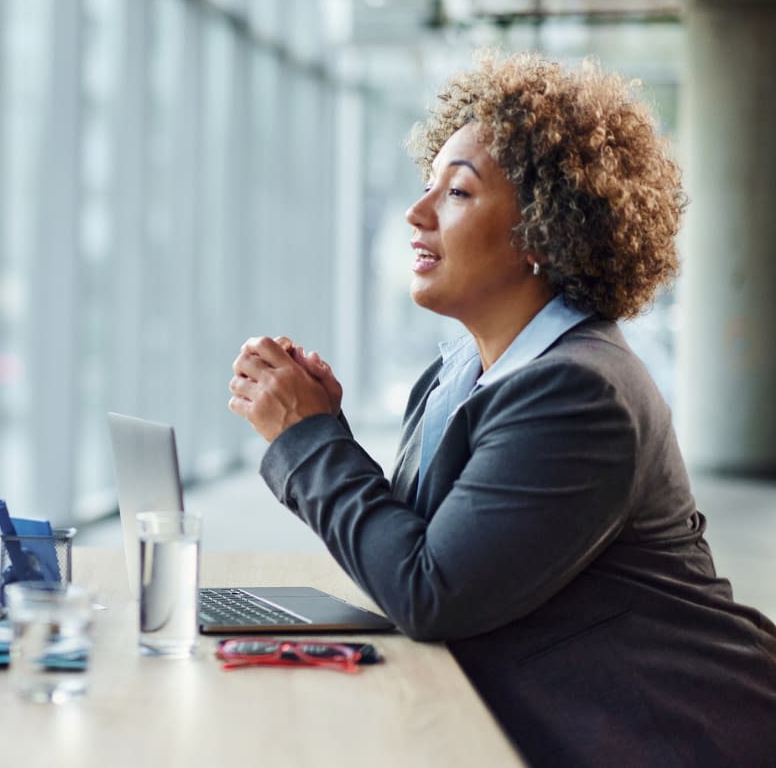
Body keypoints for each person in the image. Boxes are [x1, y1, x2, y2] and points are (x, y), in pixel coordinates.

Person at [227, 53, 776, 767]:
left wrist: (307, 440)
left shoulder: (581, 393)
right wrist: (324, 428)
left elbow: (429, 592)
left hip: (677, 740)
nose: (417, 212)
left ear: (544, 231)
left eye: (457, 192)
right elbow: (417, 550)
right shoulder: (458, 371)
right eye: (427, 186)